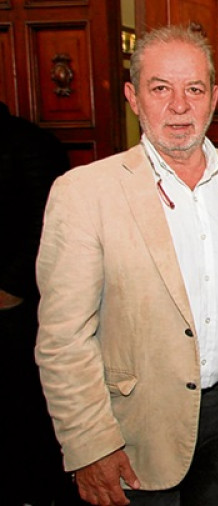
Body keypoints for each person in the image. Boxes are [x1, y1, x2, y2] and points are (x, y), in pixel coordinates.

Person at [34, 25, 218, 506]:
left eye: (194, 89)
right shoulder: (83, 194)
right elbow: (61, 339)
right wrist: (89, 445)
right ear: (134, 97)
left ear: (214, 97)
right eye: (161, 88)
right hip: (134, 431)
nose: (179, 106)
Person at [0, 101, 79, 506]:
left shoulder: (28, 143)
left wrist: (10, 288)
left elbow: (44, 226)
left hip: (16, 313)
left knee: (24, 416)